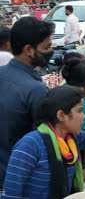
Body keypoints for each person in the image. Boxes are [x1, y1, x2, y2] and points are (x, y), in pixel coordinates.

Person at [0, 17, 54, 188]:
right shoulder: (35, 89)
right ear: (29, 50)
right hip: (24, 177)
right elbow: (49, 141)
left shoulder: (3, 73)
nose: (51, 51)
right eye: (47, 47)